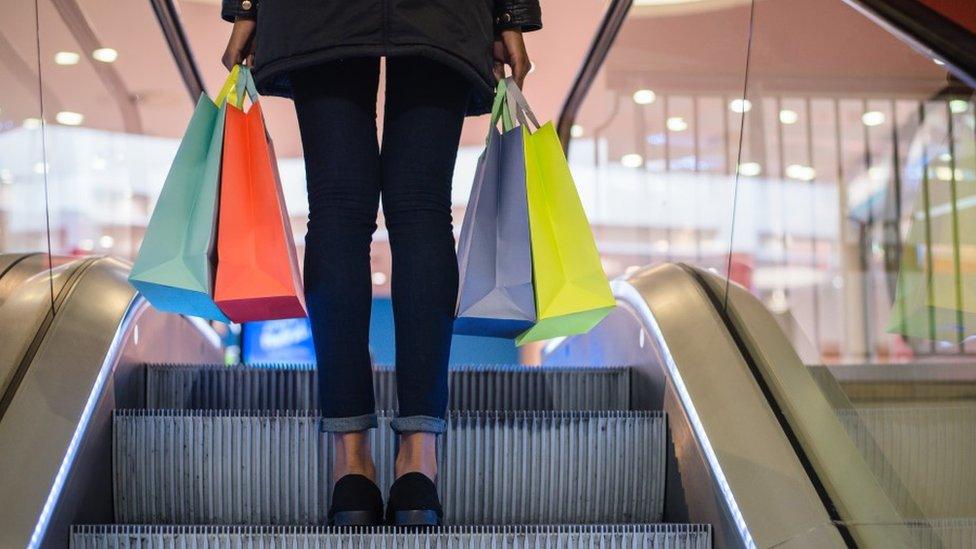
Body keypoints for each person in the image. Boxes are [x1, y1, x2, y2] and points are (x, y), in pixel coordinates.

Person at [220, 0, 541, 527]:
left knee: (337, 213)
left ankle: (351, 468)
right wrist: (509, 14)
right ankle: (418, 465)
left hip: (318, 16)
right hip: (442, 15)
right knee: (422, 211)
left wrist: (247, 8)